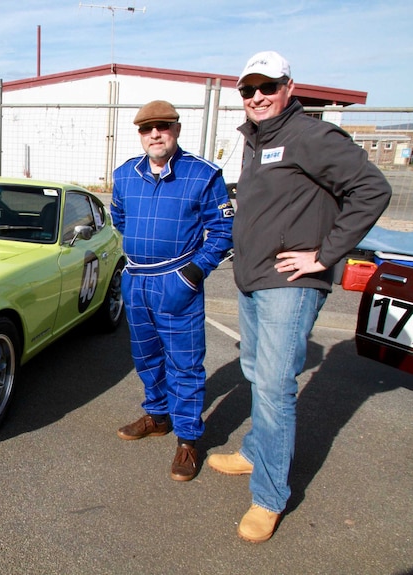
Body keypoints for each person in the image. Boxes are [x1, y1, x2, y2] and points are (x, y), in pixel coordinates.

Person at [206, 51, 391, 543]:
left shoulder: (310, 135)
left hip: (289, 283)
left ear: (290, 87)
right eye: (248, 90)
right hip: (253, 278)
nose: (257, 97)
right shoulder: (256, 138)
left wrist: (324, 254)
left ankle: (269, 497)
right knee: (255, 372)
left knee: (274, 387)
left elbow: (371, 189)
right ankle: (254, 452)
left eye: (268, 86)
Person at [111, 100, 234, 482]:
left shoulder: (203, 175)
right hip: (137, 281)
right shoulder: (125, 174)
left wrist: (193, 273)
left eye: (162, 127)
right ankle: (158, 416)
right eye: (147, 129)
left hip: (177, 281)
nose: (155, 134)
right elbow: (119, 217)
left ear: (176, 130)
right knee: (145, 356)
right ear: (140, 134)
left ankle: (188, 439)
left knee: (184, 362)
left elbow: (224, 231)